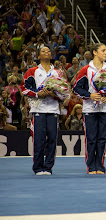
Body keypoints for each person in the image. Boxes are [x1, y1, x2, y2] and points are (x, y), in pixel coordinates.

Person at [72, 43, 106, 174]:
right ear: (94, 52)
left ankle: (100, 165)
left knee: (102, 138)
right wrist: (90, 95)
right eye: (103, 50)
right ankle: (91, 166)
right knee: (91, 138)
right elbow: (76, 89)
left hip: (104, 109)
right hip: (89, 109)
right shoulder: (86, 69)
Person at [21, 47, 63, 175]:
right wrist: (38, 94)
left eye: (49, 51)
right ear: (38, 56)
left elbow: (63, 93)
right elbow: (24, 89)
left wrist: (53, 94)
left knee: (52, 139)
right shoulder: (32, 71)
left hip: (53, 110)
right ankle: (38, 167)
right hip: (38, 109)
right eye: (44, 51)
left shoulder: (57, 72)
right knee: (39, 140)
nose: (47, 52)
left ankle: (48, 167)